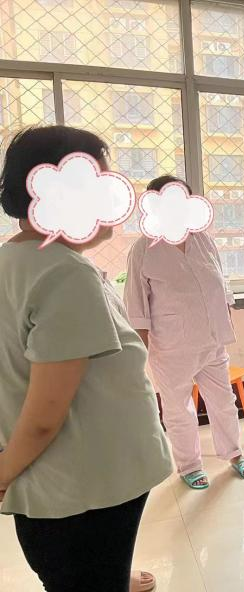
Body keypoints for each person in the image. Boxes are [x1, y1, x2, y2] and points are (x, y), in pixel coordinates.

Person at [0, 126, 171, 592]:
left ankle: (109, 573)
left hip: (71, 483)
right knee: (82, 572)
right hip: (82, 488)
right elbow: (44, 416)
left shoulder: (17, 260)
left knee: (93, 565)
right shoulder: (64, 275)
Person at [124, 175, 244, 490]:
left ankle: (234, 454)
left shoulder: (203, 240)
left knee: (223, 402)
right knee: (178, 410)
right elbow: (136, 306)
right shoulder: (143, 248)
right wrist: (140, 355)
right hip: (171, 348)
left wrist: (225, 320)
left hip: (211, 342)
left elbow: (220, 283)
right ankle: (189, 466)